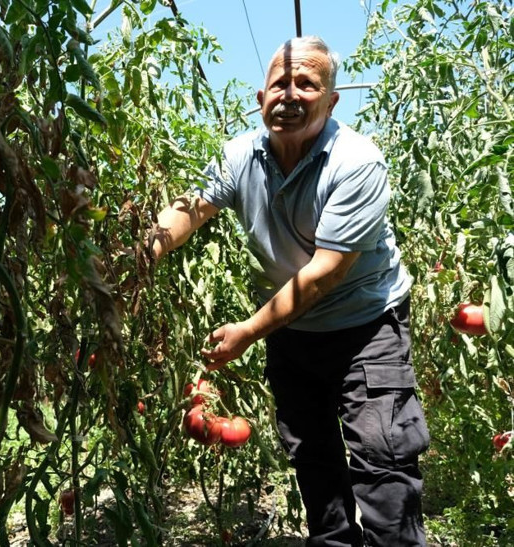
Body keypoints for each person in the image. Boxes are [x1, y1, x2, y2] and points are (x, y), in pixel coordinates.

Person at [150, 36, 430, 546]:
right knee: (311, 454)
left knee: (382, 459)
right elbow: (191, 209)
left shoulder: (356, 162)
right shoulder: (240, 156)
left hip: (367, 328)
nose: (291, 95)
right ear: (262, 98)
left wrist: (248, 331)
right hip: (292, 329)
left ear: (332, 100)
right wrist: (141, 252)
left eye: (307, 84)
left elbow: (325, 273)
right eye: (280, 83)